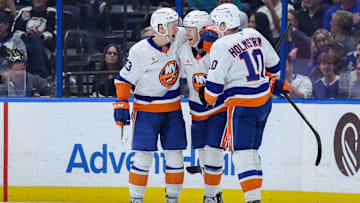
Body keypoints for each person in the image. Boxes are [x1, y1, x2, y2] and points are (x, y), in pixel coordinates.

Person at [201, 3, 290, 203]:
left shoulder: (220, 45)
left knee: (242, 154)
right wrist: (267, 77)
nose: (214, 28)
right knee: (252, 152)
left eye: (216, 24)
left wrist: (206, 91)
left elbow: (211, 93)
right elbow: (275, 66)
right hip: (264, 103)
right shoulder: (253, 33)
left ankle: (252, 199)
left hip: (243, 105)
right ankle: (255, 197)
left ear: (224, 24)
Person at [112, 7, 187, 203]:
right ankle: (136, 199)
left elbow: (197, 33)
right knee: (143, 157)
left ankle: (172, 199)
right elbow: (123, 80)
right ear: (160, 27)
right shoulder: (140, 51)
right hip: (146, 111)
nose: (177, 28)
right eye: (172, 25)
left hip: (173, 108)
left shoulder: (178, 37)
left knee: (175, 157)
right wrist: (121, 103)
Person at [179, 10, 226, 202]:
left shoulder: (217, 50)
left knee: (214, 152)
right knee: (204, 156)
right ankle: (217, 194)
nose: (187, 33)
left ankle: (208, 197)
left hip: (218, 110)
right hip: (196, 111)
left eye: (191, 29)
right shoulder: (182, 50)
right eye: (186, 29)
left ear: (202, 30)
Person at [11, 0, 57, 77]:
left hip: (44, 48)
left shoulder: (52, 12)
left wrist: (41, 35)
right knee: (30, 39)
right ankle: (41, 75)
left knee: (34, 38)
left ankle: (41, 75)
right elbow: (14, 31)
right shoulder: (24, 11)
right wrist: (25, 34)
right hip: (23, 45)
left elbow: (55, 32)